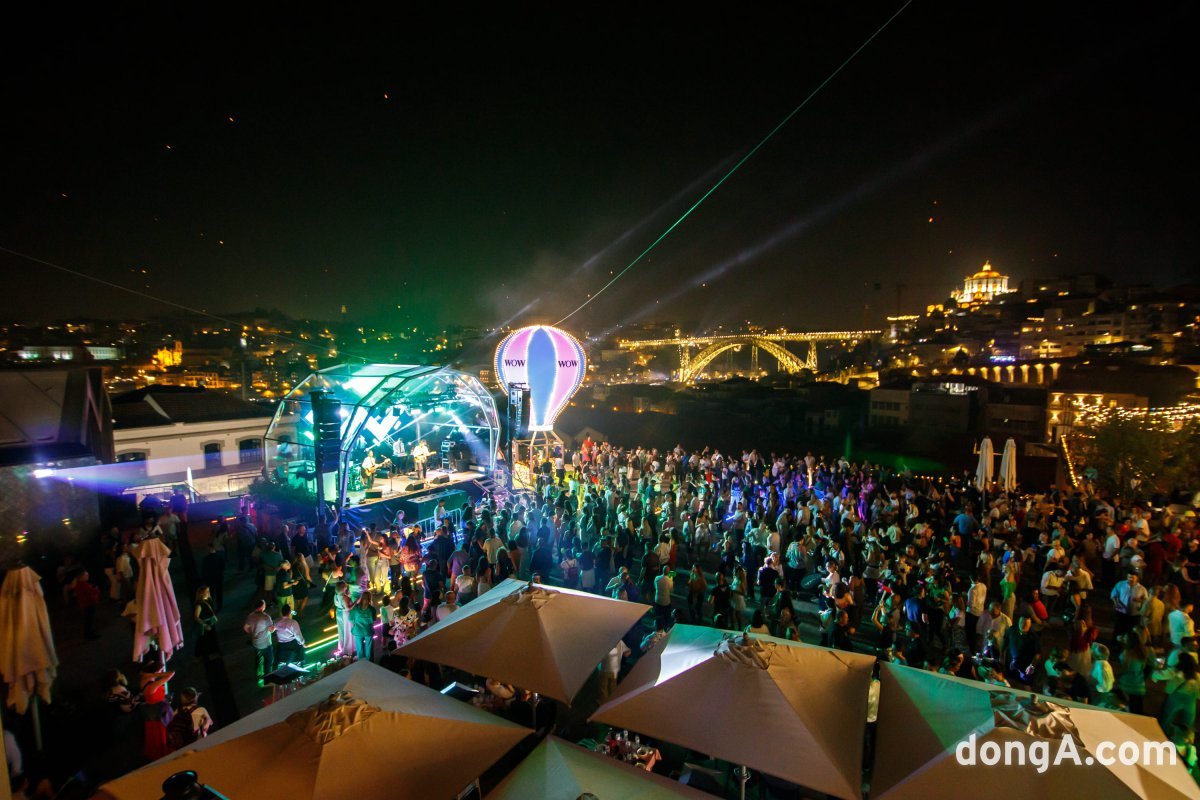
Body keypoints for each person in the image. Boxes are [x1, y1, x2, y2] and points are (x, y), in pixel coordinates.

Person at [137, 651, 175, 761]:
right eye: (160, 670)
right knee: (162, 735)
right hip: (159, 712)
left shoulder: (144, 680)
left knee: (154, 736)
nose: (162, 672)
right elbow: (171, 673)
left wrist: (152, 674)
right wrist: (157, 674)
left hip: (151, 712)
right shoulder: (153, 685)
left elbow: (143, 673)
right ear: (155, 671)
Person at [166, 687, 212, 752]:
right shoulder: (201, 710)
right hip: (197, 743)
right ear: (195, 698)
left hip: (180, 745)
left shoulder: (176, 711)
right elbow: (206, 727)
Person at [243, 600, 275, 683]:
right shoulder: (266, 617)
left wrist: (252, 633)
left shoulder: (250, 616)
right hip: (265, 644)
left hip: (255, 643)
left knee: (259, 658)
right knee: (269, 661)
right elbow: (271, 630)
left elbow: (245, 628)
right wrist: (274, 627)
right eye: (264, 605)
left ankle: (259, 674)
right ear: (262, 607)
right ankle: (267, 680)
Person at [598, 639, 631, 703]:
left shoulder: (604, 642)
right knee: (612, 686)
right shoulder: (620, 642)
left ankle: (603, 702)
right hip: (615, 669)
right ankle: (613, 701)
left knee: (603, 687)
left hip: (605, 668)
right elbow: (627, 653)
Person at [193, 584, 220, 659]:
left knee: (211, 639)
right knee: (205, 640)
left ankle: (210, 653)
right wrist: (205, 625)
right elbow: (196, 617)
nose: (208, 593)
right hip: (205, 625)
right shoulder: (199, 604)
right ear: (201, 593)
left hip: (210, 623)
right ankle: (204, 655)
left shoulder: (208, 601)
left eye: (208, 591)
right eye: (206, 591)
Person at [350, 591, 378, 662]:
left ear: (361, 598)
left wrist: (356, 622)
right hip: (368, 631)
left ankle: (361, 662)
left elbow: (350, 618)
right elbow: (374, 619)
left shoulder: (355, 608)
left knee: (359, 649)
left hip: (357, 631)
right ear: (369, 599)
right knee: (369, 648)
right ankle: (369, 662)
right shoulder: (372, 609)